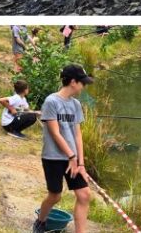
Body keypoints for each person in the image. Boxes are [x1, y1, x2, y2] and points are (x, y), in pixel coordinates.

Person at [33, 64, 95, 233]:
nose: (84, 86)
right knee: (55, 196)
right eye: (83, 82)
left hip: (73, 159)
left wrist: (80, 163)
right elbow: (55, 133)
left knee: (84, 194)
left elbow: (77, 135)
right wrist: (71, 157)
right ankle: (40, 222)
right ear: (73, 82)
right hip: (53, 157)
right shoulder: (51, 101)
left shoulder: (76, 104)